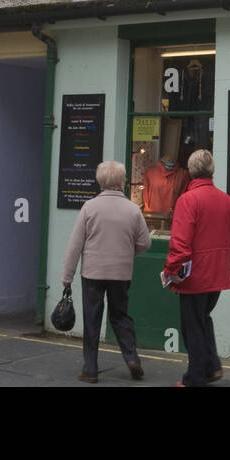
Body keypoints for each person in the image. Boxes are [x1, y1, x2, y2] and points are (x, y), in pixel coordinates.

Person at [62, 160, 150, 382]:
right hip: (121, 273)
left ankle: (90, 370)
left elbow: (75, 245)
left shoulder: (89, 207)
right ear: (122, 181)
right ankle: (132, 358)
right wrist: (128, 253)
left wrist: (67, 277)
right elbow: (145, 243)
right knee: (120, 315)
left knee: (92, 319)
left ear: (100, 181)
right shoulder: (132, 209)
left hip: (93, 272)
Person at [163, 149, 230, 387]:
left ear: (191, 171)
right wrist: (225, 264)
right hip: (217, 273)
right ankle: (211, 366)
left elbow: (181, 243)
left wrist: (171, 270)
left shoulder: (187, 200)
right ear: (211, 169)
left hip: (194, 276)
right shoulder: (225, 200)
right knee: (203, 319)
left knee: (191, 327)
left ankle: (195, 378)